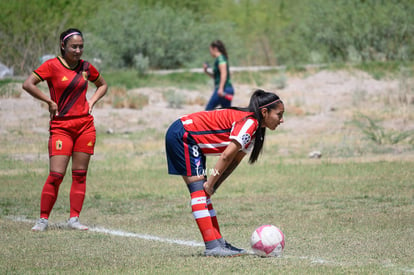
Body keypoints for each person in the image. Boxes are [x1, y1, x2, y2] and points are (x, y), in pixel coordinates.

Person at [165, 89, 285, 256]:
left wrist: (214, 185)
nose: (282, 120)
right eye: (279, 115)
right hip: (183, 135)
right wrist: (210, 183)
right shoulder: (249, 123)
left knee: (204, 192)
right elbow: (226, 155)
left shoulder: (255, 132)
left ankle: (219, 243)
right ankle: (212, 247)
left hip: (190, 138)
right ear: (264, 112)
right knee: (199, 192)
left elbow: (234, 161)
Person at [22, 28, 108, 231]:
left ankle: (74, 219)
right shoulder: (52, 65)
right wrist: (49, 101)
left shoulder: (86, 67)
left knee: (80, 174)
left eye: (81, 47)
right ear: (63, 45)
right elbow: (28, 84)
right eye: (74, 47)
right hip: (61, 128)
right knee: (56, 175)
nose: (78, 51)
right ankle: (43, 220)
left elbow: (102, 85)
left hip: (85, 126)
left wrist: (92, 101)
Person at [203, 40, 234, 110]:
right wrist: (206, 71)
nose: (210, 52)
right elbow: (216, 77)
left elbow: (224, 73)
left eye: (210, 50)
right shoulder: (219, 59)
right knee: (226, 114)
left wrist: (221, 88)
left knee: (208, 110)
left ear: (215, 49)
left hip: (224, 89)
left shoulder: (221, 59)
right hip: (226, 89)